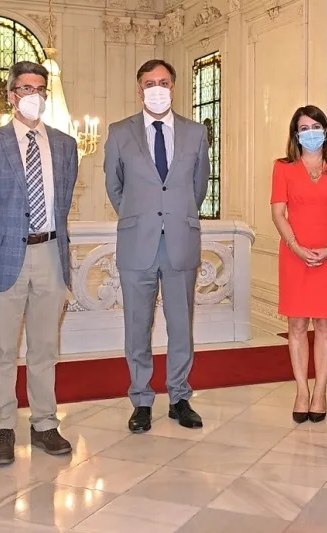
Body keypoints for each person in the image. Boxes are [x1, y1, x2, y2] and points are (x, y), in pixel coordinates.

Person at [0, 61, 78, 465]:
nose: (34, 96)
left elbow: (62, 203)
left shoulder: (65, 145)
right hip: (5, 254)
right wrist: (0, 242)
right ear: (12, 95)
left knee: (46, 347)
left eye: (40, 89)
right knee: (2, 348)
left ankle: (45, 423)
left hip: (50, 254)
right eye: (26, 89)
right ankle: (2, 428)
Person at [104, 59, 210, 433]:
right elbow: (114, 186)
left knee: (181, 325)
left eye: (164, 82)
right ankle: (141, 399)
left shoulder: (196, 132)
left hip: (180, 241)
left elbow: (199, 186)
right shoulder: (119, 133)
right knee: (138, 326)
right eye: (150, 83)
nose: (157, 88)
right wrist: (140, 215)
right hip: (137, 243)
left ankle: (180, 396)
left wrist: (173, 215)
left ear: (174, 86)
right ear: (140, 89)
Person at [270, 106, 327, 423]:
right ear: (295, 134)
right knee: (296, 325)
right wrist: (296, 247)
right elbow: (278, 213)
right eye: (304, 127)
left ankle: (320, 392)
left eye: (316, 126)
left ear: (326, 131)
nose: (310, 132)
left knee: (324, 325)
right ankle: (301, 391)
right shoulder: (283, 168)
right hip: (294, 253)